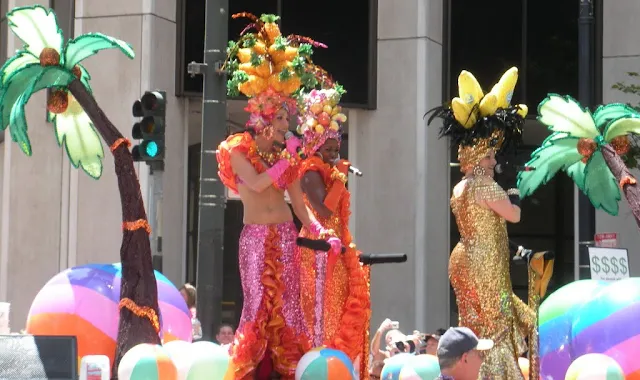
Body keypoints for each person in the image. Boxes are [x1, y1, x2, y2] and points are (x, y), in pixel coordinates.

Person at [217, 13, 341, 380]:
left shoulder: (286, 158)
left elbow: (299, 204)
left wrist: (321, 231)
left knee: (289, 311)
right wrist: (288, 157)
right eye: (284, 122)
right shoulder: (236, 149)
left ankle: (289, 372)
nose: (289, 128)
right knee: (256, 309)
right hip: (255, 239)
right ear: (266, 122)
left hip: (285, 237)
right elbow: (255, 184)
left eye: (288, 122)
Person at [428, 67, 552, 379]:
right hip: (485, 263)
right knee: (496, 325)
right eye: (489, 157)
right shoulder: (485, 185)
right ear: (476, 156)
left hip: (464, 260)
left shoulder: (460, 186)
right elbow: (514, 215)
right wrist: (513, 187)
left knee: (476, 324)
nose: (494, 162)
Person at [297, 86, 371, 377]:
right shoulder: (310, 173)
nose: (333, 153)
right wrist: (340, 177)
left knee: (340, 310)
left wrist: (338, 174)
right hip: (318, 249)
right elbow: (325, 210)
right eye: (327, 149)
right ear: (315, 147)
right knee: (322, 313)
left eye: (335, 148)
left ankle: (342, 367)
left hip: (338, 248)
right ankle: (321, 368)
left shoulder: (330, 171)